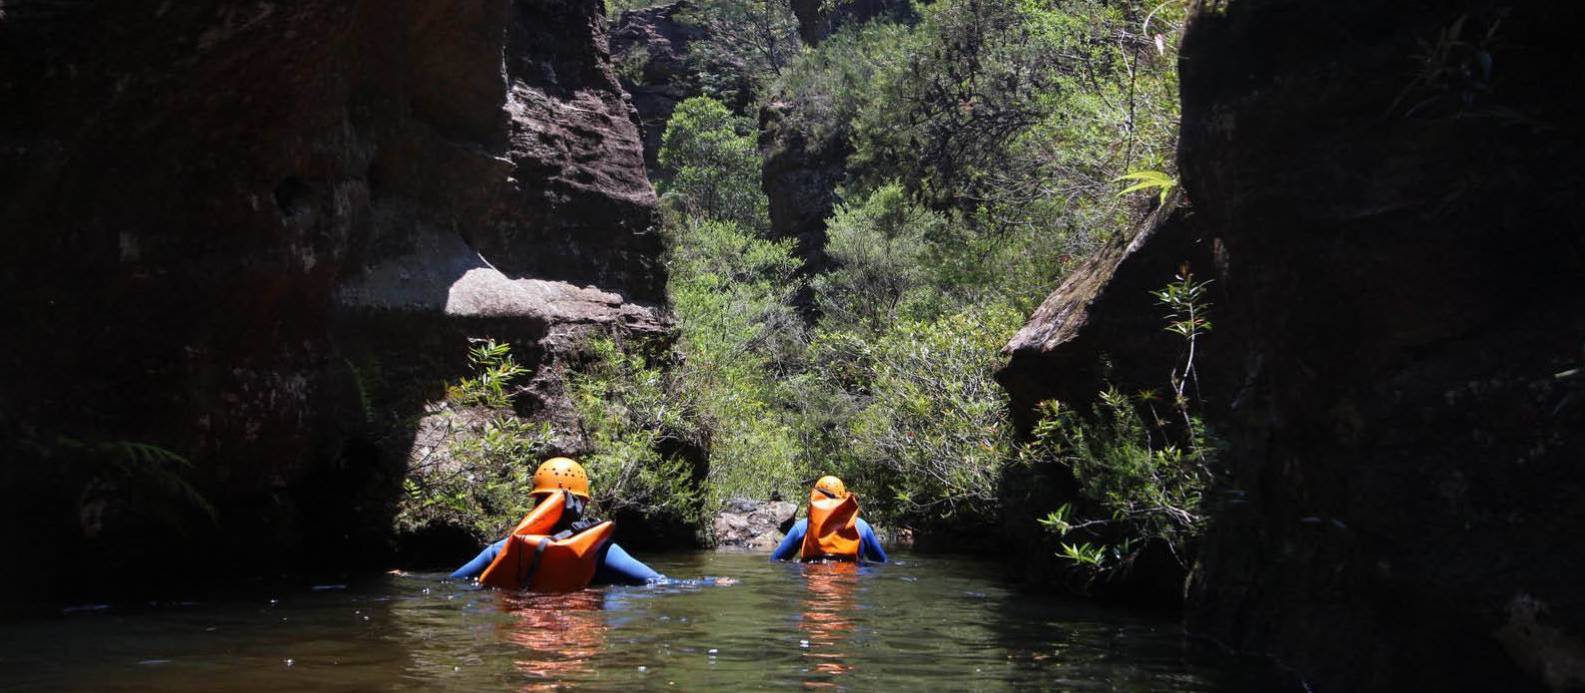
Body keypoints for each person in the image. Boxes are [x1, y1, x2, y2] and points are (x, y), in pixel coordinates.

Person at [451, 457, 665, 589]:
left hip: (523, 628)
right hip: (574, 625)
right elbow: (658, 582)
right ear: (581, 504)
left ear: (537, 502)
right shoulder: (600, 551)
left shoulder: (504, 548)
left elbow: (452, 584)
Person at [771, 476, 887, 563]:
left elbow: (776, 560)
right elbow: (882, 562)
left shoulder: (802, 527)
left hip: (813, 577)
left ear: (815, 497)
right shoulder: (861, 527)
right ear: (842, 498)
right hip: (848, 578)